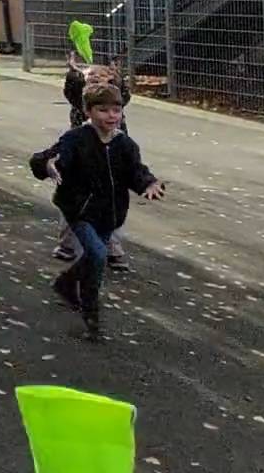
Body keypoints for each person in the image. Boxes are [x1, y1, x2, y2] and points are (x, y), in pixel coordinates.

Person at [32, 83, 166, 341]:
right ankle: (91, 315)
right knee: (98, 255)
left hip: (110, 213)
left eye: (116, 110)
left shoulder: (125, 144)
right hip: (79, 209)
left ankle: (66, 283)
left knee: (95, 256)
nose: (111, 116)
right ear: (88, 111)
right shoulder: (75, 139)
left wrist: (149, 183)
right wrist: (48, 166)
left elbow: (136, 172)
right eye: (103, 110)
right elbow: (46, 158)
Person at [49, 56, 136, 269]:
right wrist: (73, 74)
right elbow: (73, 91)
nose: (97, 81)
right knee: (75, 203)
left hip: (110, 158)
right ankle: (68, 245)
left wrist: (119, 78)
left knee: (111, 202)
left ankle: (112, 248)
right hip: (82, 160)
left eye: (103, 77)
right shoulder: (85, 101)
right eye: (92, 77)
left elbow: (123, 96)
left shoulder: (115, 101)